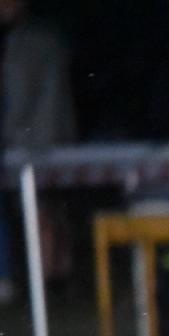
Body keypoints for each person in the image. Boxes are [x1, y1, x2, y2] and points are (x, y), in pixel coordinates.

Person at [0, 0, 76, 283]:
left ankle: (45, 278)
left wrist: (9, 132)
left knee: (39, 209)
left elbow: (20, 95)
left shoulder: (25, 42)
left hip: (34, 140)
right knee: (53, 210)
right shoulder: (48, 37)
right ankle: (58, 272)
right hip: (58, 135)